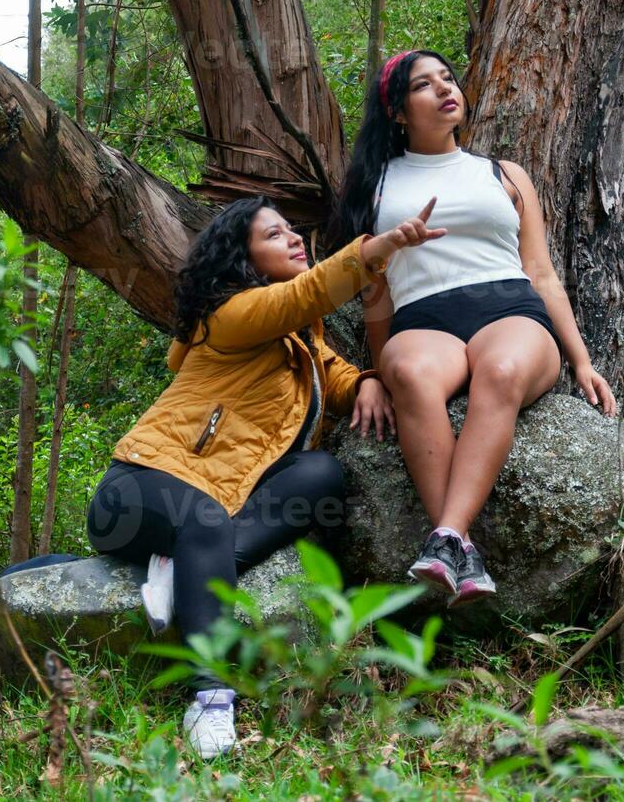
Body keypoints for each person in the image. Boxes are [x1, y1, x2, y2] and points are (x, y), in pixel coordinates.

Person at [85, 197, 440, 759]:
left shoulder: (296, 337)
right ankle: (209, 695)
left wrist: (369, 381)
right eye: (275, 235)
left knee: (322, 473)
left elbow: (332, 374)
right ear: (243, 260)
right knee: (202, 519)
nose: (296, 238)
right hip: (137, 491)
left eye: (292, 229)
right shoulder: (229, 315)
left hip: (212, 510)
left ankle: (180, 571)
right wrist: (381, 249)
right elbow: (309, 291)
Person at [330, 49, 618, 608]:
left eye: (448, 78)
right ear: (396, 111)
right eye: (423, 85)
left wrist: (582, 360)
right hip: (424, 319)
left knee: (502, 369)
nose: (444, 89)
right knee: (410, 374)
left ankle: (446, 536)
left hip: (510, 310)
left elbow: (540, 271)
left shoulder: (503, 174)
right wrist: (376, 369)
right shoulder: (376, 186)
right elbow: (375, 295)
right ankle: (461, 547)